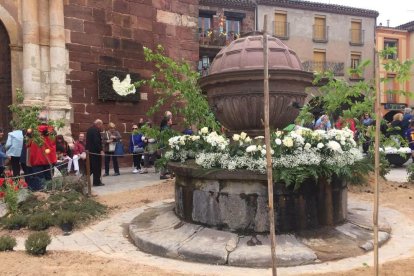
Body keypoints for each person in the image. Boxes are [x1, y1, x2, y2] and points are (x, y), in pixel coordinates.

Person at [27, 115, 57, 191]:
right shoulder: (52, 130)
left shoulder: (32, 131)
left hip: (37, 159)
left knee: (39, 181)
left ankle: (42, 196)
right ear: (46, 121)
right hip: (49, 159)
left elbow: (27, 144)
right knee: (49, 179)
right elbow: (54, 144)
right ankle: (50, 194)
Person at [86, 119, 105, 186]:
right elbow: (96, 141)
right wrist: (101, 150)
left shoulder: (89, 129)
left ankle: (83, 180)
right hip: (95, 152)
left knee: (91, 167)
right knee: (96, 167)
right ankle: (96, 182)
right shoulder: (96, 130)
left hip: (90, 152)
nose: (101, 127)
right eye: (101, 125)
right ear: (98, 124)